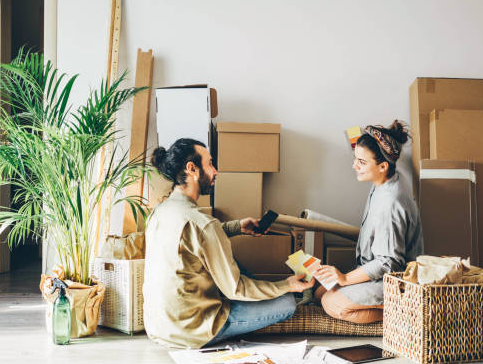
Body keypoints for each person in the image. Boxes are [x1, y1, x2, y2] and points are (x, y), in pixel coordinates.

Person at [143, 138, 314, 348]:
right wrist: (286, 285)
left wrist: (237, 227)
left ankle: (251, 297)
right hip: (192, 330)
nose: (215, 172)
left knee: (228, 262)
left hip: (159, 326)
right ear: (192, 169)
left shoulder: (159, 212)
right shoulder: (203, 223)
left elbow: (192, 242)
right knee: (287, 304)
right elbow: (237, 288)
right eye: (210, 164)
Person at [314, 120, 423, 324]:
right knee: (320, 292)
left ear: (382, 166)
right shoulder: (385, 179)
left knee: (331, 302)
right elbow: (360, 144)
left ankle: (407, 313)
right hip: (375, 273)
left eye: (362, 162)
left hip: (394, 281)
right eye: (356, 159)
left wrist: (345, 279)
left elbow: (387, 264)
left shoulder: (390, 203)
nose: (354, 166)